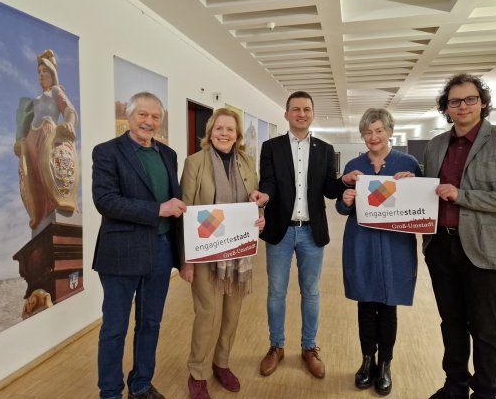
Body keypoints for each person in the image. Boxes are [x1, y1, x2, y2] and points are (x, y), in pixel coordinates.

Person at [422, 74, 496, 399]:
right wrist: (408, 183)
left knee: (485, 327)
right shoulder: (435, 146)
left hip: (485, 249)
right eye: (455, 101)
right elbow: (428, 190)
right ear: (446, 107)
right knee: (451, 322)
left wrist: (463, 196)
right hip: (440, 246)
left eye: (470, 99)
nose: (463, 106)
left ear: (483, 102)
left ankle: (486, 392)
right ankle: (455, 386)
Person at [91, 92, 186, 399]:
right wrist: (158, 209)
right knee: (114, 328)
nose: (149, 122)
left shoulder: (168, 155)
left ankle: (141, 385)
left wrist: (184, 255)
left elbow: (178, 205)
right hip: (121, 254)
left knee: (150, 323)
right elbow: (106, 202)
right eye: (142, 115)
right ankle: (110, 392)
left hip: (160, 251)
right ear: (129, 117)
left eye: (155, 116)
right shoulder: (107, 152)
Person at [257, 91, 355, 379]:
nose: (301, 113)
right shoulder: (271, 147)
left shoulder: (324, 149)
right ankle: (276, 346)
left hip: (313, 233)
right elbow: (269, 181)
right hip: (280, 231)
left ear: (312, 114)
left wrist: (343, 182)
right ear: (286, 114)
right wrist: (264, 195)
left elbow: (328, 188)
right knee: (276, 292)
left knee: (310, 293)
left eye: (307, 109)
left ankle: (309, 347)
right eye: (295, 109)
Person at [178, 108, 267, 399]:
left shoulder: (246, 161)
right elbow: (185, 212)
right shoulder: (195, 163)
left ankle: (221, 363)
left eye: (230, 129)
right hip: (206, 252)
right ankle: (197, 373)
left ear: (238, 135)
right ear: (210, 131)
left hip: (238, 252)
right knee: (208, 313)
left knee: (232, 314)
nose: (224, 134)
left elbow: (252, 202)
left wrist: (260, 214)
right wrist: (186, 260)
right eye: (219, 128)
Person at [336, 108, 422, 396]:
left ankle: (385, 364)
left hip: (395, 243)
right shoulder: (354, 165)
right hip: (361, 240)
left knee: (388, 304)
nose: (373, 137)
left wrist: (413, 185)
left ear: (389, 132)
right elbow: (340, 207)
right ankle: (366, 361)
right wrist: (346, 197)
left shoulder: (407, 162)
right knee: (365, 303)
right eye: (368, 132)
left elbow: (423, 205)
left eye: (378, 131)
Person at [15, 49, 79, 229]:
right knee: (34, 176)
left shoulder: (56, 91)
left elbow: (69, 110)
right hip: (31, 139)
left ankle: (58, 205)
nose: (41, 75)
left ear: (52, 74)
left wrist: (69, 123)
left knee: (49, 172)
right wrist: (20, 140)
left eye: (45, 72)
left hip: (48, 133)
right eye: (39, 72)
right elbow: (24, 122)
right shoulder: (34, 100)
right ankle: (41, 214)